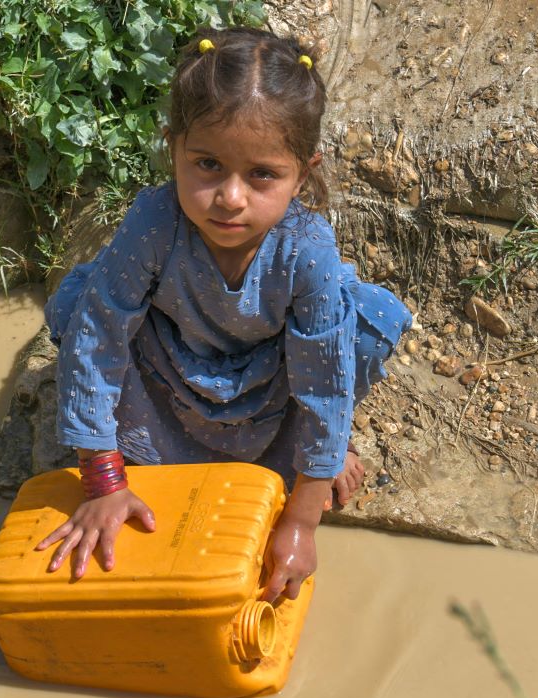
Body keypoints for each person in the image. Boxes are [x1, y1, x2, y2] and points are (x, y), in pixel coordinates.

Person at [35, 27, 411, 603]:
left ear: (303, 173)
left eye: (263, 174)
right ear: (173, 149)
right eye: (207, 164)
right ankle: (169, 453)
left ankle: (322, 457)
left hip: (275, 377)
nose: (231, 197)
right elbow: (98, 338)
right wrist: (103, 482)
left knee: (361, 323)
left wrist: (302, 522)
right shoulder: (156, 222)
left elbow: (324, 385)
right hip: (175, 369)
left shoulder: (305, 247)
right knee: (77, 305)